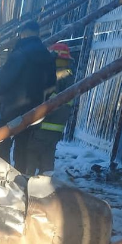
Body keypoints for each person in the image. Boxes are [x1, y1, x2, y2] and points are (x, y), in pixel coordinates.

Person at [0, 21, 56, 173]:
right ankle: (19, 178)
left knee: (2, 142)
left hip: (12, 108)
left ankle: (1, 176)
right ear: (38, 33)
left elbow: (4, 82)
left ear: (24, 33)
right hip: (34, 110)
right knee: (23, 146)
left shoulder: (19, 53)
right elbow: (51, 84)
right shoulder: (48, 56)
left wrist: (1, 92)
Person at [25, 42, 75, 176]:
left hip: (44, 124)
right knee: (47, 155)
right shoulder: (69, 76)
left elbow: (48, 102)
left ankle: (26, 181)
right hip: (56, 128)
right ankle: (44, 185)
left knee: (32, 153)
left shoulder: (58, 76)